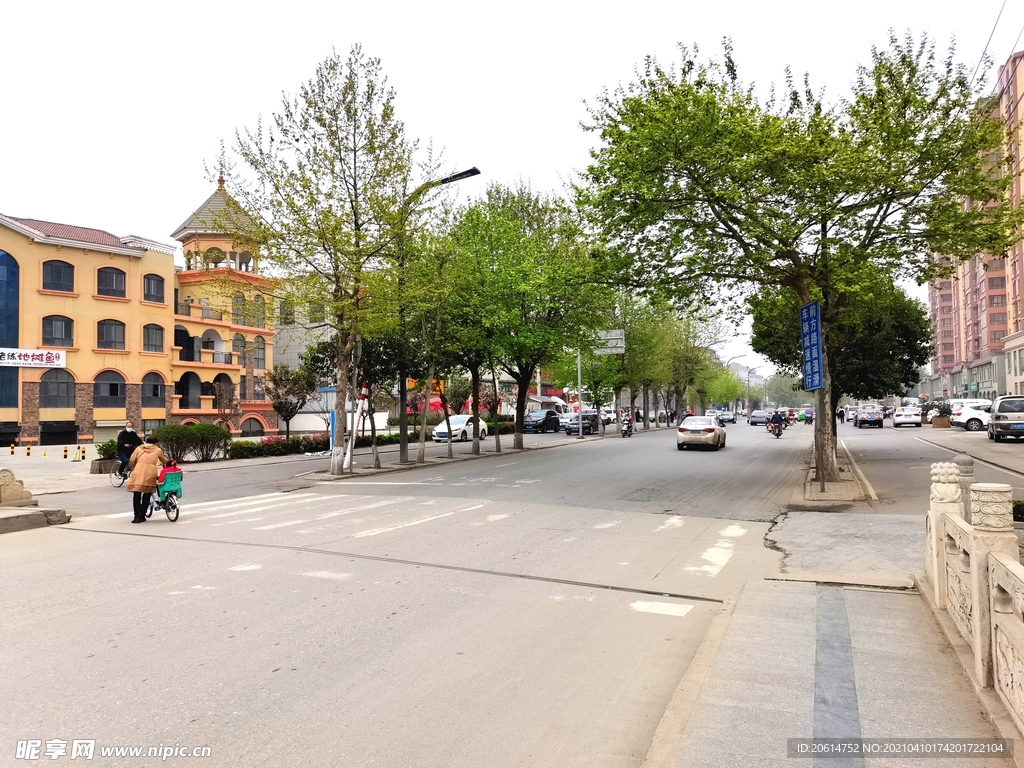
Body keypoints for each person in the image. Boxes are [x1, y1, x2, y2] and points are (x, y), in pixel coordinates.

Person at [126, 436, 169, 524]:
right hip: (150, 472)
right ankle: (142, 516)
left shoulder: (138, 448)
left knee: (137, 494)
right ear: (156, 443)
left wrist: (136, 466)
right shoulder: (158, 450)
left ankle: (136, 516)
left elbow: (132, 460)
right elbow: (164, 461)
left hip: (138, 471)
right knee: (147, 494)